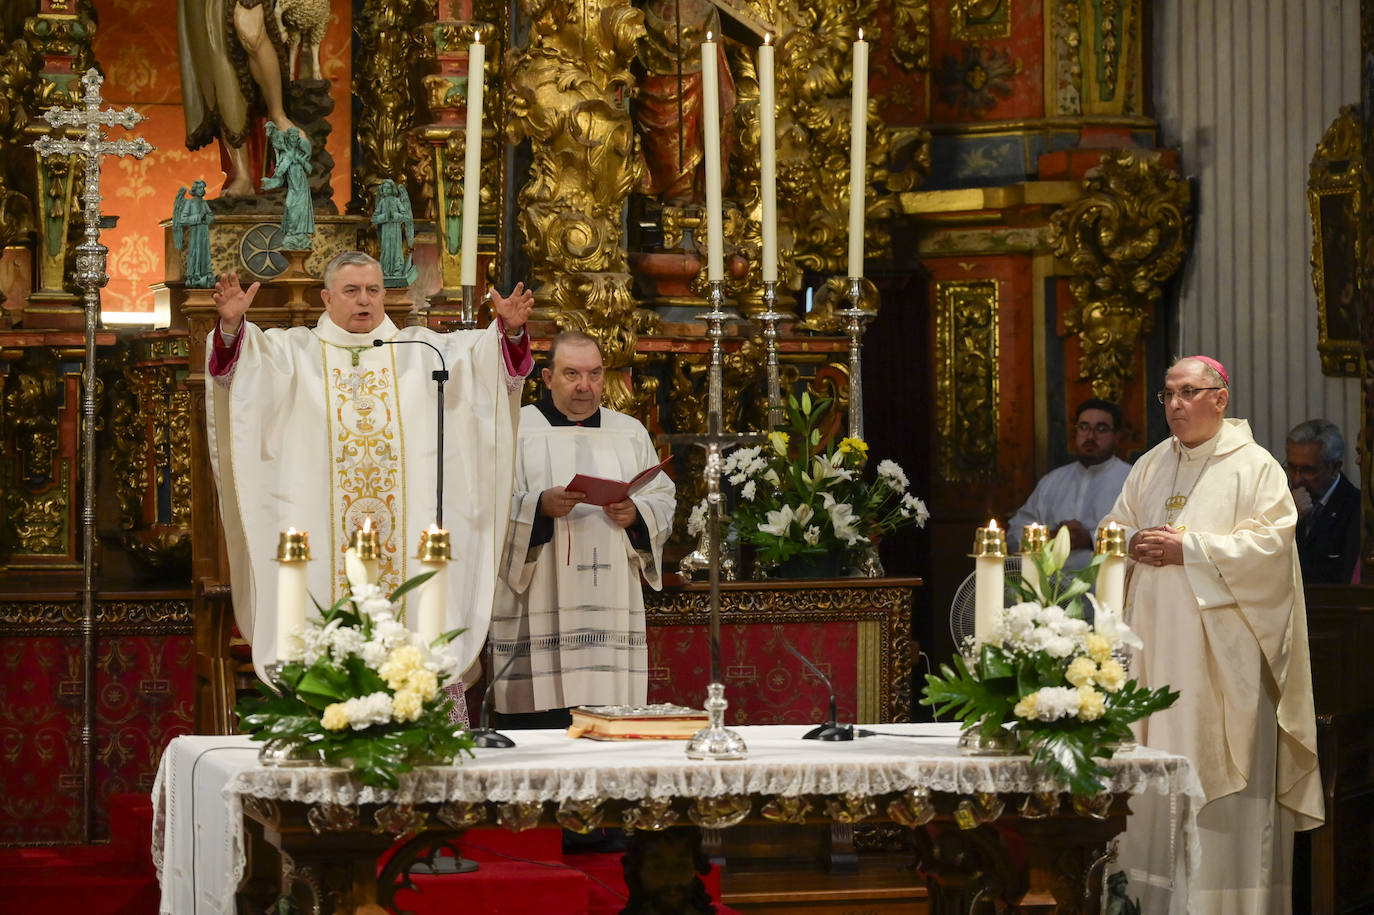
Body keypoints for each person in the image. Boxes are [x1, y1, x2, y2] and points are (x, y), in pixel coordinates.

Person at [205, 250, 535, 708]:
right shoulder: (292, 353)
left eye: (374, 290)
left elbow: (490, 368)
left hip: (408, 547)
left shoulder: (424, 352)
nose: (365, 301)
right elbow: (236, 376)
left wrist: (511, 331)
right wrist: (231, 329)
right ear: (326, 297)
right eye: (352, 291)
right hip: (322, 550)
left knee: (418, 626)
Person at [1101, 356, 1323, 913]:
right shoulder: (1150, 465)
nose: (1174, 404)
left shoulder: (1256, 468)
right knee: (1147, 782)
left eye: (1187, 393)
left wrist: (1189, 550)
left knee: (1221, 797)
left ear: (1219, 399)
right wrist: (1129, 545)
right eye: (1167, 394)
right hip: (1150, 658)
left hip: (1224, 669)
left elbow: (1272, 550)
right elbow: (1113, 528)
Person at [489, 331, 676, 728]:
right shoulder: (516, 431)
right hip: (538, 603)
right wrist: (538, 506)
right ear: (546, 377)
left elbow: (662, 496)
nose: (584, 386)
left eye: (593, 374)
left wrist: (637, 514)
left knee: (609, 723)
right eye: (571, 374)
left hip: (611, 607)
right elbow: (484, 507)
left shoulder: (629, 432)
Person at [1007, 398, 1131, 570]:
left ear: (1117, 436)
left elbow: (1144, 536)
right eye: (1084, 427)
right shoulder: (1052, 481)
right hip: (1050, 589)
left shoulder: (1132, 479)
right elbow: (1014, 536)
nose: (1090, 436)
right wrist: (1047, 537)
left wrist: (1091, 539)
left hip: (1109, 588)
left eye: (1101, 429)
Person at [1285, 418, 1361, 584]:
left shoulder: (1356, 508)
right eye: (1291, 467)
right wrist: (1287, 517)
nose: (1297, 479)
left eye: (1308, 470)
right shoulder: (1283, 503)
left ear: (1335, 468)